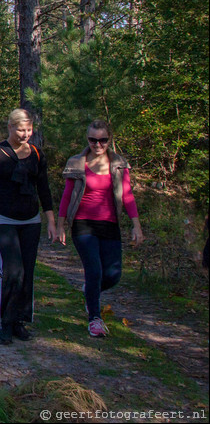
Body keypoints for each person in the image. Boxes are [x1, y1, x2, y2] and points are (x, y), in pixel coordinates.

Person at [57, 119, 142, 338]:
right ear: (87, 139)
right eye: (93, 140)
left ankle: (90, 293)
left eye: (102, 140)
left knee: (113, 275)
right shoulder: (77, 162)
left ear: (109, 139)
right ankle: (94, 318)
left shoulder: (118, 164)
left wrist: (136, 224)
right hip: (83, 224)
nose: (98, 144)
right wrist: (60, 224)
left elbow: (128, 194)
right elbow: (67, 196)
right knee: (93, 270)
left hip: (110, 224)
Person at [0, 108, 58, 345]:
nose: (25, 134)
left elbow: (44, 189)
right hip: (3, 219)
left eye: (29, 130)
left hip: (31, 221)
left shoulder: (36, 153)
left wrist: (51, 222)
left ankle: (19, 322)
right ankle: (6, 322)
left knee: (27, 272)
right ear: (10, 127)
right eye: (20, 129)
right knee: (13, 271)